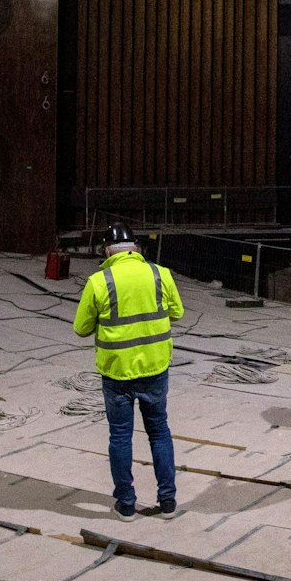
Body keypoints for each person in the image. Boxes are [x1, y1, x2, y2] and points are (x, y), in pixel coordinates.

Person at [72, 223, 185, 520]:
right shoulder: (160, 274)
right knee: (159, 432)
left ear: (107, 250)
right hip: (155, 368)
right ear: (135, 247)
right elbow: (177, 312)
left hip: (117, 372)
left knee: (120, 437)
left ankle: (126, 504)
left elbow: (81, 328)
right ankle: (168, 501)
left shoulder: (99, 281)